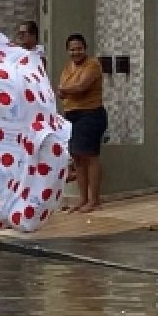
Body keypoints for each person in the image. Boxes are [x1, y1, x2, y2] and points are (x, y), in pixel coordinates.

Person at [57, 34, 106, 212]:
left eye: (79, 48)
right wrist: (67, 89)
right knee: (77, 157)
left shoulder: (92, 65)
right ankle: (83, 198)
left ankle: (95, 200)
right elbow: (62, 90)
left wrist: (66, 89)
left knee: (90, 156)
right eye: (72, 49)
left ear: (85, 48)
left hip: (91, 114)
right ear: (67, 51)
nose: (75, 52)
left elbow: (81, 86)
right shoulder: (68, 67)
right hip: (72, 116)